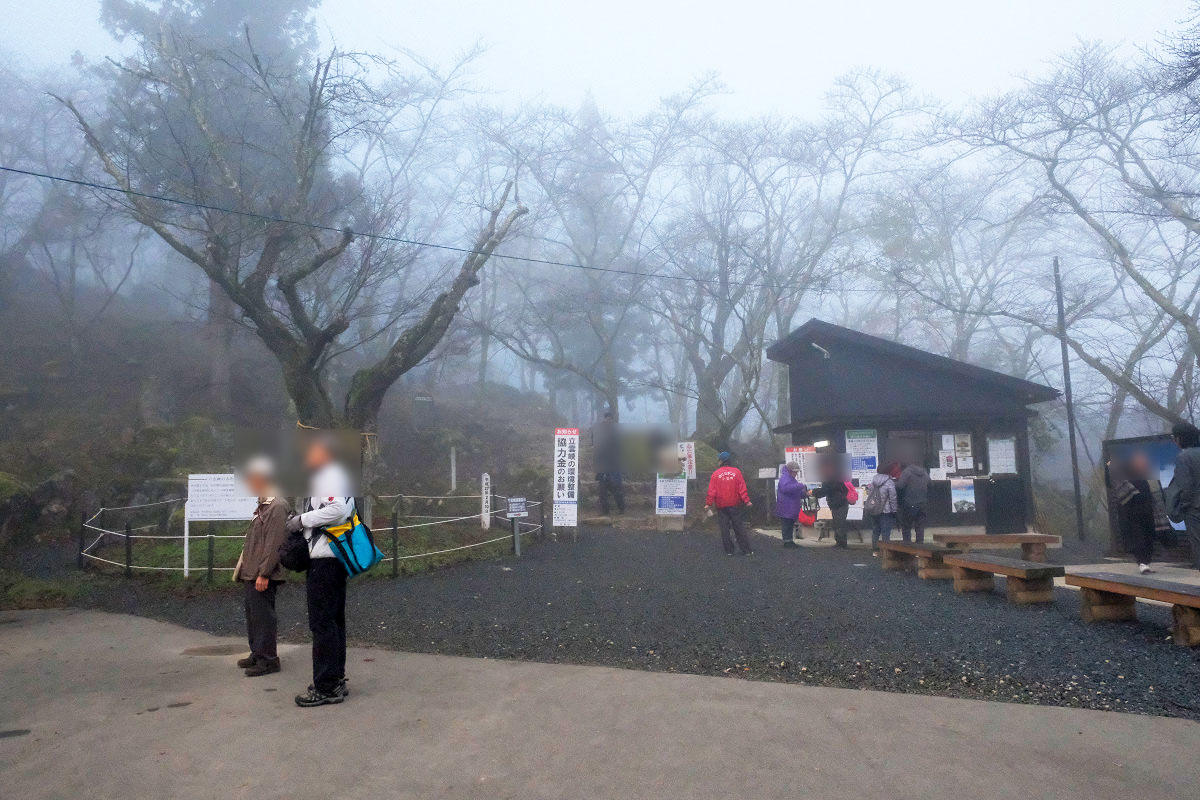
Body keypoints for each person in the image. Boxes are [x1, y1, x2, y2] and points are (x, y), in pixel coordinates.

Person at [285, 435, 354, 708]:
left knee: (323, 623)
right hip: (335, 559)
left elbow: (338, 509)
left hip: (325, 561)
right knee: (334, 622)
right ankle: (335, 679)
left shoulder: (329, 475)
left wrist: (301, 520)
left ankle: (325, 687)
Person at [233, 457, 290, 677]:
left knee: (264, 616)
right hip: (251, 571)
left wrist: (264, 573)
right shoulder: (263, 505)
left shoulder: (277, 506)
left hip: (262, 573)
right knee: (253, 614)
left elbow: (274, 543)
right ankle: (257, 653)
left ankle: (268, 659)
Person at [1114, 452, 1158, 574]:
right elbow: (1110, 470)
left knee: (1147, 534)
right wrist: (1110, 461)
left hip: (1146, 508)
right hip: (1131, 510)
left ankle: (1145, 562)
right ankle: (1142, 562)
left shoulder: (1145, 478)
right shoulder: (1125, 475)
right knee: (1137, 535)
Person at [1166, 421, 1200, 569]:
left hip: (1195, 509)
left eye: (1174, 437)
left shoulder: (1184, 457)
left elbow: (1185, 486)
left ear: (1180, 438)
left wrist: (1183, 506)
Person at [705, 451, 754, 555]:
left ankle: (729, 551)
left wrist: (708, 503)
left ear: (721, 461)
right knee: (739, 527)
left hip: (721, 505)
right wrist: (747, 501)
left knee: (724, 529)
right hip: (735, 504)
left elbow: (712, 491)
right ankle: (746, 551)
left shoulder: (716, 474)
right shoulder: (737, 472)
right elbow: (742, 489)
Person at [809, 458, 850, 548]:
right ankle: (839, 542)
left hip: (840, 503)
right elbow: (826, 490)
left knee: (839, 523)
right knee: (837, 523)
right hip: (836, 503)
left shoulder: (833, 477)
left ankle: (842, 543)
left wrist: (813, 492)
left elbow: (826, 490)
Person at [593, 411, 626, 515]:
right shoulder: (601, 433)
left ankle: (621, 508)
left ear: (612, 420)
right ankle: (605, 511)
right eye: (606, 419)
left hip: (614, 467)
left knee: (616, 490)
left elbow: (619, 448)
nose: (607, 421)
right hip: (603, 468)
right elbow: (598, 448)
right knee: (602, 491)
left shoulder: (616, 433)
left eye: (609, 419)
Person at [867, 462, 899, 556]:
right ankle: (885, 550)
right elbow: (893, 497)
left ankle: (875, 550)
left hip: (874, 509)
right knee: (885, 531)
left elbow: (869, 493)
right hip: (886, 511)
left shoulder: (873, 480)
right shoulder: (889, 482)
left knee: (876, 530)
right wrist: (894, 510)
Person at [896, 460, 931, 543]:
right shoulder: (924, 472)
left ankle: (907, 546)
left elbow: (900, 486)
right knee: (920, 527)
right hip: (922, 503)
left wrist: (893, 483)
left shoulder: (907, 472)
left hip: (909, 502)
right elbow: (930, 484)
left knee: (906, 526)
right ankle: (920, 546)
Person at [775, 461, 808, 549]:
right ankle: (787, 542)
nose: (796, 473)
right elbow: (786, 488)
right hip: (786, 506)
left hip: (790, 507)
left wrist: (804, 494)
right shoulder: (785, 478)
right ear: (790, 470)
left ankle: (789, 541)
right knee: (787, 525)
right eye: (795, 472)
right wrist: (800, 486)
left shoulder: (790, 478)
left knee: (789, 524)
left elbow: (794, 490)